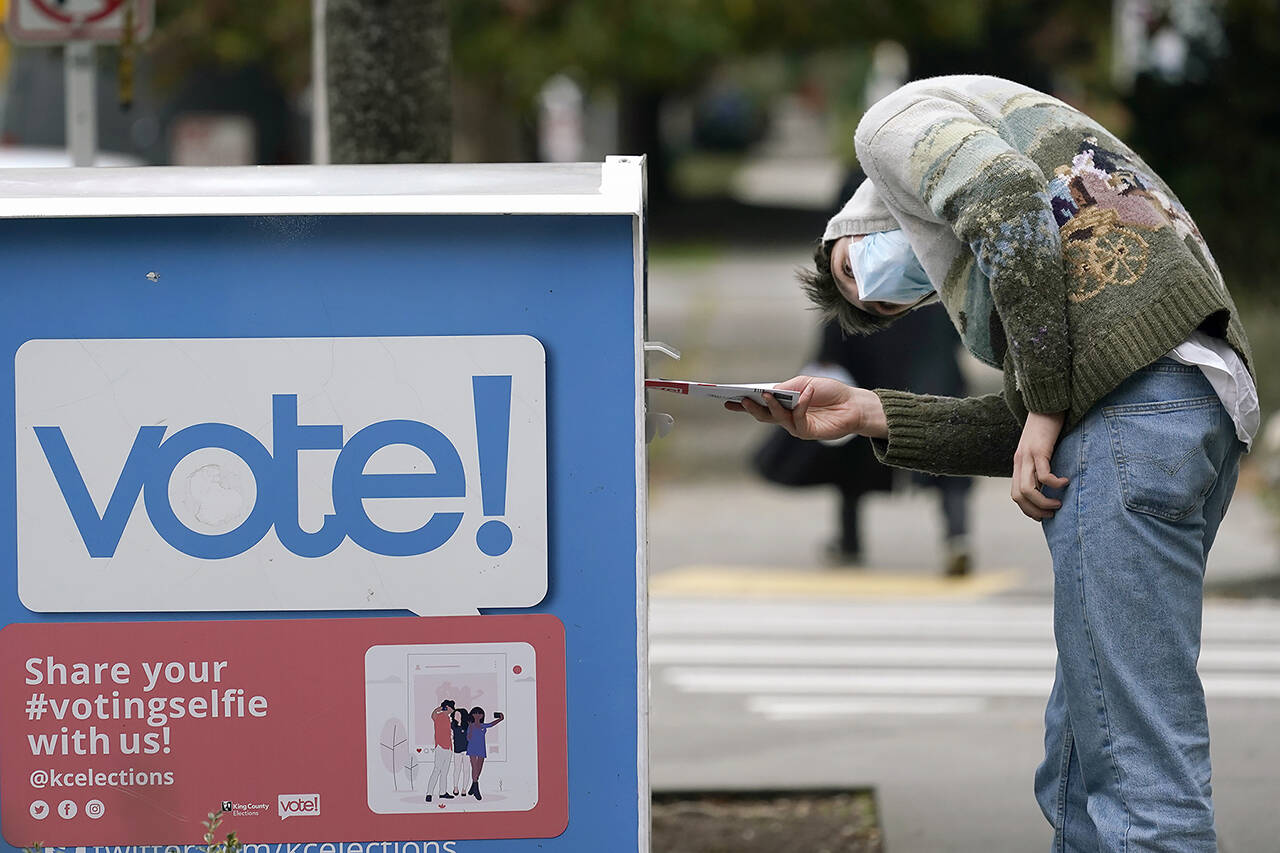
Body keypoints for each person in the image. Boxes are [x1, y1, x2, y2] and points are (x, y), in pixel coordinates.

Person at [731, 75, 1257, 852]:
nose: (879, 285)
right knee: (1079, 757)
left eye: (852, 269)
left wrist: (1043, 405)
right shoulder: (1039, 268)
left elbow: (1004, 194)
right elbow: (1036, 427)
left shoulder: (887, 128)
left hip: (1139, 413)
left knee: (1143, 779)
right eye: (882, 306)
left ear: (850, 221)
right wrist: (872, 411)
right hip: (1187, 405)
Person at [465, 707, 505, 800]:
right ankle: (476, 788)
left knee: (479, 769)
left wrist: (500, 719)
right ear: (472, 715)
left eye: (480, 713)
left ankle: (473, 787)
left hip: (481, 748)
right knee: (474, 768)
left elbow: (491, 724)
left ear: (482, 715)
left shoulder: (483, 725)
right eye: (475, 713)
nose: (478, 715)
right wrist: (470, 728)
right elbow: (468, 738)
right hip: (472, 748)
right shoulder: (471, 725)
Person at [424, 699, 455, 802]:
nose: (451, 710)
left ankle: (442, 792)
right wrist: (439, 709)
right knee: (437, 769)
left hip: (449, 747)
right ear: (446, 707)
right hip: (440, 746)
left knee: (444, 772)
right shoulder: (439, 716)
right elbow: (432, 715)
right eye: (450, 707)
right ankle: (429, 793)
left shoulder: (449, 719)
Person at [449, 706, 471, 796]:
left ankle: (464, 789)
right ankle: (455, 787)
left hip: (467, 750)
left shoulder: (468, 726)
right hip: (457, 750)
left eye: (458, 715)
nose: (455, 717)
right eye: (455, 715)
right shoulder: (452, 725)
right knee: (456, 769)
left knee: (466, 770)